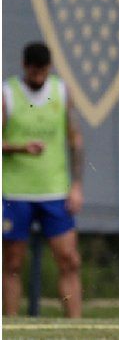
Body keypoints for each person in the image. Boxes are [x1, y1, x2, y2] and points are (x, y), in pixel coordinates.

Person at [2, 41, 85, 318]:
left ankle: (76, 328)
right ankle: (10, 327)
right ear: (25, 67)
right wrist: (20, 148)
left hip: (55, 192)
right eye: (34, 73)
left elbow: (75, 140)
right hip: (15, 192)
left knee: (69, 260)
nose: (39, 79)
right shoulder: (7, 94)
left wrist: (76, 185)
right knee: (12, 264)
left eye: (43, 73)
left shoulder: (60, 91)